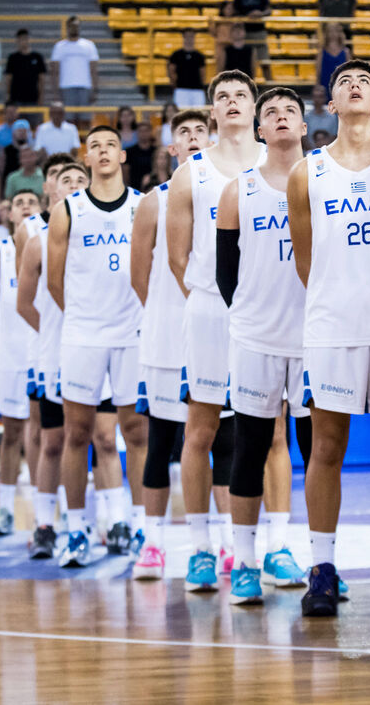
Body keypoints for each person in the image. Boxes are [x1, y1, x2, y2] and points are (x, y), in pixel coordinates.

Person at [286, 59, 370, 617]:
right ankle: (321, 568)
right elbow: (305, 260)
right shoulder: (307, 173)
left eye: (365, 81)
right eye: (344, 82)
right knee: (326, 448)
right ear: (331, 105)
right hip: (330, 328)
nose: (355, 85)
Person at [214, 87, 312, 605]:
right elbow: (225, 276)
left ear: (303, 126)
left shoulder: (322, 180)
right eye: (270, 112)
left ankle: (322, 564)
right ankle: (246, 562)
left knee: (318, 454)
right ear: (259, 128)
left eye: (288, 112)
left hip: (316, 338)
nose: (279, 118)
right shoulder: (238, 191)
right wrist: (254, 319)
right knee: (248, 451)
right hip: (255, 339)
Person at [167, 71, 264, 588]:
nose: (231, 103)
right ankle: (201, 547)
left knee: (268, 432)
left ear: (255, 107)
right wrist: (215, 303)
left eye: (240, 96)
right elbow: (179, 260)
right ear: (211, 113)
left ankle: (271, 547)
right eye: (221, 97)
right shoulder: (192, 173)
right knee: (201, 429)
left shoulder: (282, 165)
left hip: (270, 313)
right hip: (209, 310)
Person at [47, 127, 150, 566]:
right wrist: (84, 318)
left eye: (111, 145)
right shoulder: (67, 210)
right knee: (77, 433)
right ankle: (75, 530)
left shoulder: (145, 206)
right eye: (95, 147)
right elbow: (55, 282)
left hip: (133, 334)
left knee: (136, 433)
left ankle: (143, 528)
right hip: (84, 335)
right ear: (85, 158)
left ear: (122, 155)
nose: (104, 152)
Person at [130, 109, 209, 579]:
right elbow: (140, 277)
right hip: (166, 336)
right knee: (161, 443)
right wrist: (168, 313)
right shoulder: (152, 203)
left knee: (225, 443)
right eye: (185, 133)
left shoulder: (230, 191)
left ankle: (222, 544)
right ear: (172, 149)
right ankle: (153, 543)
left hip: (216, 335)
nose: (194, 138)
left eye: (201, 131)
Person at [16, 158, 84, 559]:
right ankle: (44, 524)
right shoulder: (35, 234)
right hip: (55, 353)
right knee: (54, 439)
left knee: (105, 438)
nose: (73, 185)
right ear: (51, 189)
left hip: (100, 347)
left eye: (80, 179)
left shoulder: (107, 228)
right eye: (65, 180)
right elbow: (24, 304)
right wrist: (57, 337)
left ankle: (114, 522)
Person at [0, 191, 40, 536]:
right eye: (19, 202)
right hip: (9, 353)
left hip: (40, 349)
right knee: (11, 433)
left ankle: (41, 508)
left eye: (31, 201)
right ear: (9, 212)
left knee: (41, 434)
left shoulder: (49, 242)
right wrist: (7, 335)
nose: (26, 206)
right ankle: (4, 510)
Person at [50, 17, 99, 116]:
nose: (74, 28)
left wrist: (95, 89)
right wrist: (55, 92)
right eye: (71, 26)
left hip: (85, 87)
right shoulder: (59, 46)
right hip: (66, 87)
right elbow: (55, 71)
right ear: (67, 27)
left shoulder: (89, 45)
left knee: (85, 119)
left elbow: (93, 69)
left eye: (76, 26)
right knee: (68, 118)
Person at [231, 0, 272, 82]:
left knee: (265, 61)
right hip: (245, 33)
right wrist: (246, 16)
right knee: (246, 63)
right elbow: (235, 13)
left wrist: (260, 13)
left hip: (259, 31)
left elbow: (269, 10)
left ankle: (270, 85)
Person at [4, 29, 47, 106]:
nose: (23, 41)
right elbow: (8, 78)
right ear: (17, 41)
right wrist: (8, 95)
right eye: (21, 39)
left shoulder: (37, 57)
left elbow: (42, 79)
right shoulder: (13, 58)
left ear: (29, 39)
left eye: (25, 38)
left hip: (33, 98)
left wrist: (41, 97)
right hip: (16, 98)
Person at [168, 29, 208, 109]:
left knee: (199, 115)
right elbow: (171, 71)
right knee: (181, 116)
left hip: (197, 90)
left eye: (191, 36)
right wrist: (176, 85)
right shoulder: (176, 55)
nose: (189, 39)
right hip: (181, 90)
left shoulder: (199, 56)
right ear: (183, 38)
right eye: (187, 36)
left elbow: (202, 74)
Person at [315, 22, 351, 95]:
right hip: (325, 82)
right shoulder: (321, 51)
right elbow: (318, 70)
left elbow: (349, 71)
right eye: (330, 31)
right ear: (326, 33)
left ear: (339, 33)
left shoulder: (346, 51)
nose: (333, 33)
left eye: (335, 31)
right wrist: (317, 85)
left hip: (341, 84)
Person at [125, 122, 162, 190]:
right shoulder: (129, 151)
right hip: (134, 188)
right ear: (137, 132)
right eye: (141, 131)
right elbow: (125, 173)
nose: (143, 133)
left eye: (146, 130)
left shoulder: (156, 151)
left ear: (150, 132)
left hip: (154, 188)